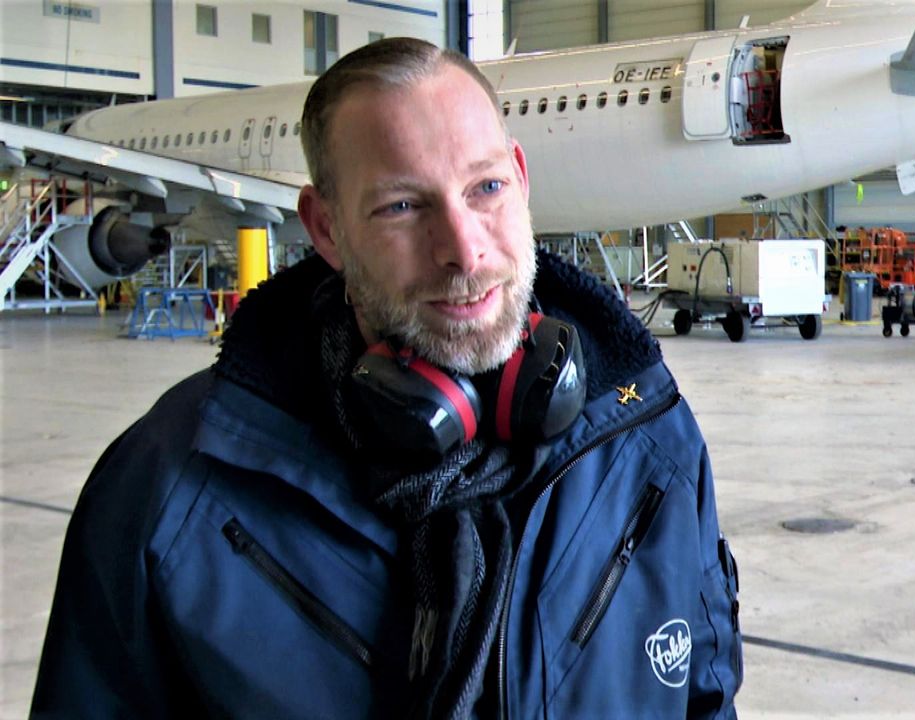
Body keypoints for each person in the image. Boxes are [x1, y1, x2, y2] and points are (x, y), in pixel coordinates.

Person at [31, 38, 742, 718]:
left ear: (522, 181)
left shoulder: (647, 436)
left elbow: (706, 699)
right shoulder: (170, 487)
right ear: (327, 229)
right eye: (403, 206)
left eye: (486, 187)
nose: (463, 250)